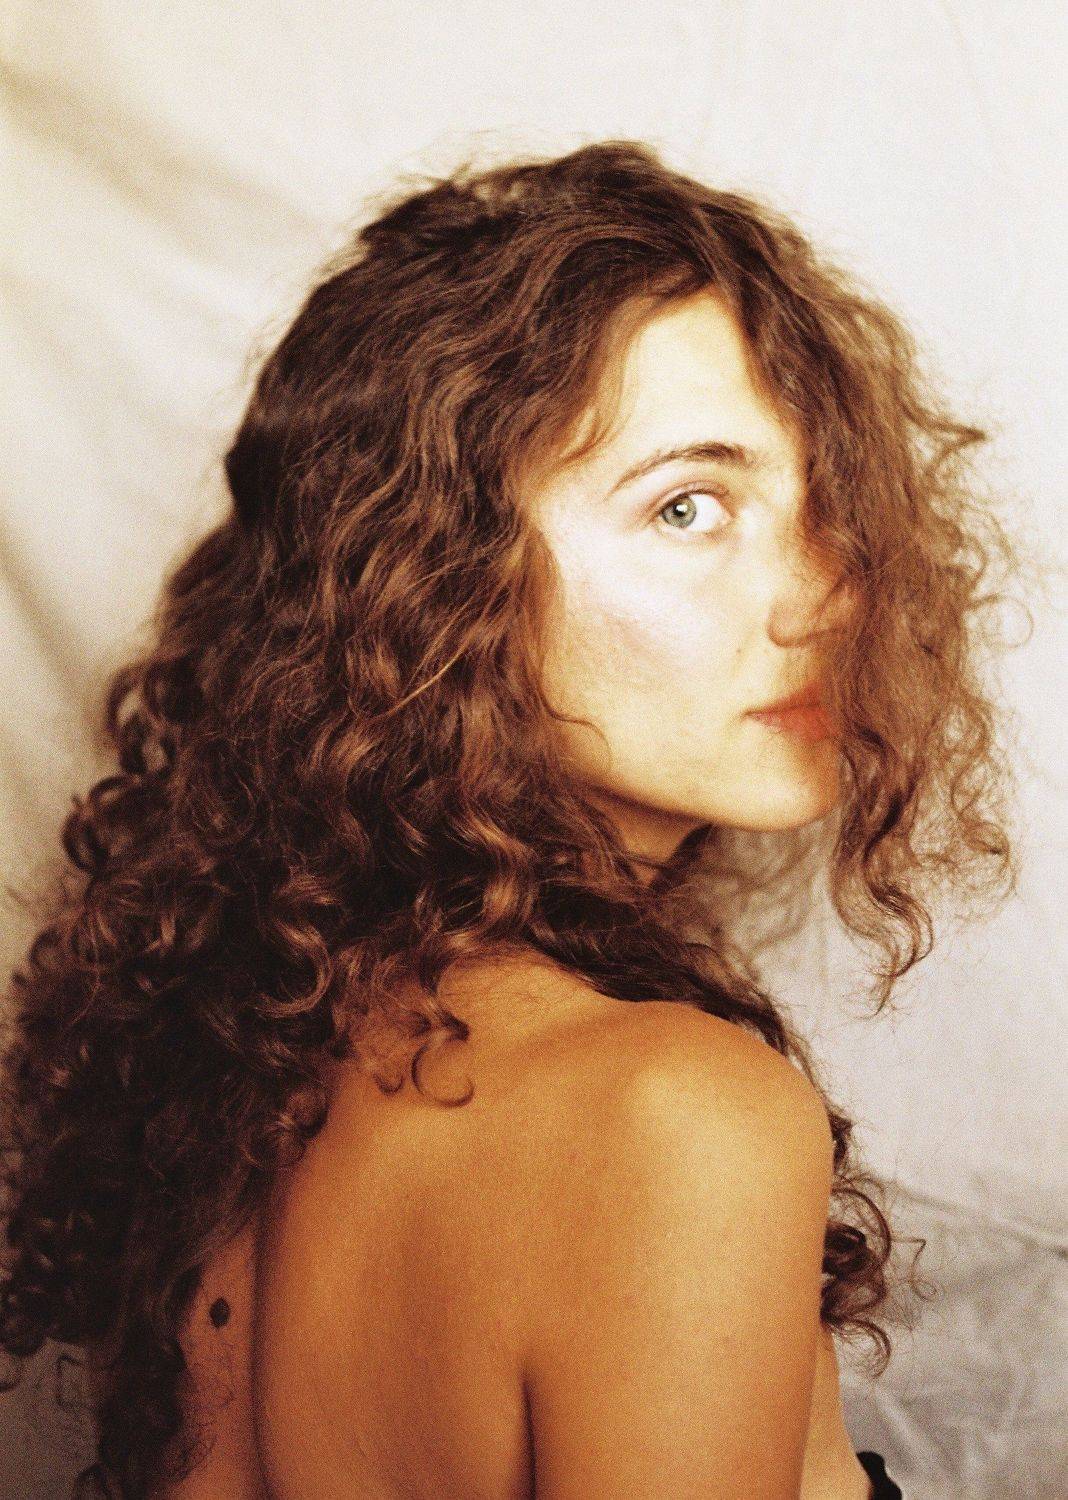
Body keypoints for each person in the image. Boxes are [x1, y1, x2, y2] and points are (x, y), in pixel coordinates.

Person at [0, 138, 1031, 1498]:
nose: (824, 594)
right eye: (688, 507)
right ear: (430, 576)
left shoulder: (236, 1044)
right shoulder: (678, 1118)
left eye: (825, 503)